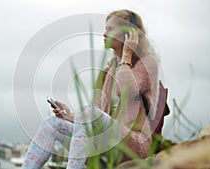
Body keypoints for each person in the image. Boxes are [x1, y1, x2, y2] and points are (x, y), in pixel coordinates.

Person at [22, 9, 160, 169]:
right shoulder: (109, 71)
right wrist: (71, 116)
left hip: (134, 143)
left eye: (110, 28)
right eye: (105, 28)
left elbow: (124, 90)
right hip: (105, 142)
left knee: (87, 111)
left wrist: (127, 55)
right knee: (52, 124)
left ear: (128, 34)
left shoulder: (148, 63)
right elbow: (95, 115)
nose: (104, 33)